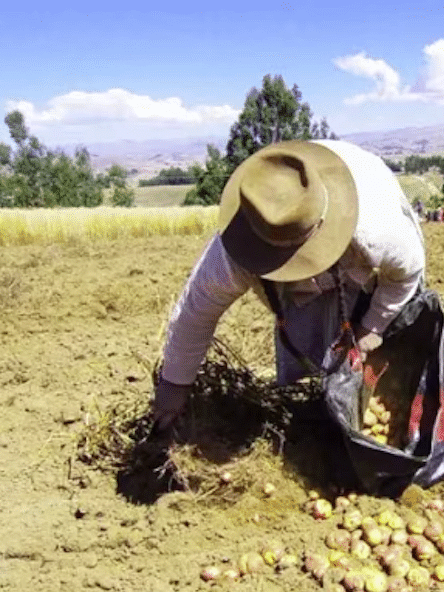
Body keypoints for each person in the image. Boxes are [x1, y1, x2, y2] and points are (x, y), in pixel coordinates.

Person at [150, 139, 426, 431]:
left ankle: (400, 399)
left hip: (366, 237)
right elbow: (194, 315)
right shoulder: (235, 248)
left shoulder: (376, 228)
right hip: (304, 269)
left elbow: (406, 274)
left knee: (395, 342)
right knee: (309, 338)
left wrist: (373, 326)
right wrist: (174, 385)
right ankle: (323, 408)